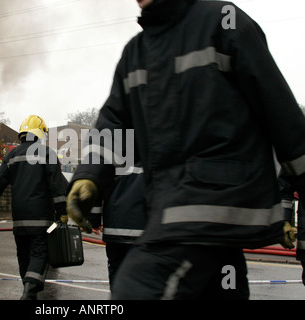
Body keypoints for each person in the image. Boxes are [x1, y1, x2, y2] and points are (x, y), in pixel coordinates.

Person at [66, 0, 305, 299]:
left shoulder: (224, 20)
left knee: (138, 290)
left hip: (205, 210)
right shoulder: (135, 52)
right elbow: (113, 122)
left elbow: (281, 112)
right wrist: (89, 175)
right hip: (180, 215)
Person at [0, 115, 68, 300]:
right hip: (42, 219)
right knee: (39, 253)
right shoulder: (46, 153)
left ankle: (28, 292)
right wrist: (63, 212)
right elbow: (57, 186)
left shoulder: (12, 155)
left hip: (19, 220)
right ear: (39, 134)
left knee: (23, 255)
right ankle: (29, 291)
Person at [88, 163, 146, 290]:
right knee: (142, 274)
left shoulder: (111, 159)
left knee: (116, 269)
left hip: (114, 228)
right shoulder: (148, 154)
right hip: (142, 229)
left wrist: (95, 221)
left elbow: (96, 190)